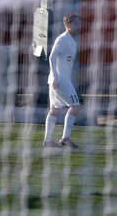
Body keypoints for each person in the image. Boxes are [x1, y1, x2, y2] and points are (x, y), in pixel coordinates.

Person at [43, 13, 82, 149]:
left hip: (60, 79)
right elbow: (52, 57)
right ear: (67, 25)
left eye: (79, 23)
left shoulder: (71, 41)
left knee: (55, 110)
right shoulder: (62, 39)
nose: (79, 26)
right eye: (76, 23)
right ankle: (65, 138)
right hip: (60, 80)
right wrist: (55, 77)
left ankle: (48, 141)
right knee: (75, 106)